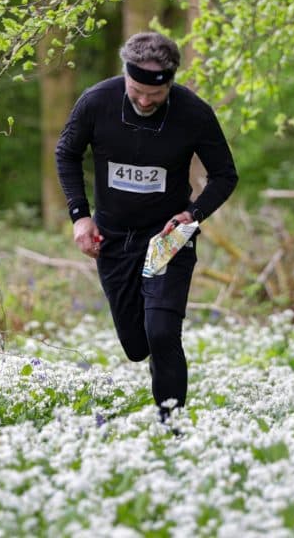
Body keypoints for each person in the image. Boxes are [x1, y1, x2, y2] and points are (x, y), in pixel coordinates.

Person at [55, 31, 238, 423]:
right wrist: (79, 216)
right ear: (125, 76)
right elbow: (66, 153)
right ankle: (159, 391)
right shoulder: (97, 102)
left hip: (167, 239)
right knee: (137, 345)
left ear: (170, 82)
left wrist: (193, 214)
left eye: (155, 94)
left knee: (162, 332)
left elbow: (225, 175)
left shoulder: (194, 113)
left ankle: (171, 427)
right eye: (136, 90)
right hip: (114, 237)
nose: (143, 100)